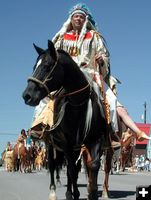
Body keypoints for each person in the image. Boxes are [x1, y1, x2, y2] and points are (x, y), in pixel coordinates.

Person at [32, 3, 150, 147]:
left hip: (90, 74)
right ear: (70, 19)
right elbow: (53, 57)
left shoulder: (93, 36)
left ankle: (111, 134)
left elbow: (104, 56)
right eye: (75, 16)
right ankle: (40, 126)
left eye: (81, 17)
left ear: (85, 20)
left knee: (112, 103)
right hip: (66, 77)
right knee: (46, 96)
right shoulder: (61, 38)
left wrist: (101, 60)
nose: (78, 19)